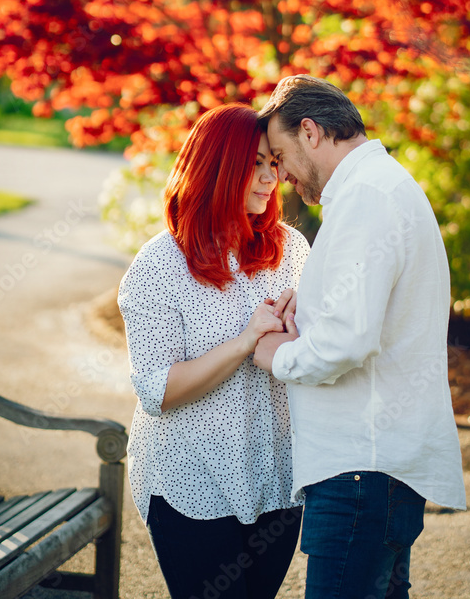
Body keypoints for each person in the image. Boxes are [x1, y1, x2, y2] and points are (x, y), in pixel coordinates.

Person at [252, 75, 467, 599]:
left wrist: (275, 355)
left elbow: (347, 343)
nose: (279, 178)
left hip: (359, 472)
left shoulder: (367, 199)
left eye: (278, 157)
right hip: (375, 471)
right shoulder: (380, 188)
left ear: (310, 132)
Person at [118, 103, 310, 599]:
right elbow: (160, 391)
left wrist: (298, 330)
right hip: (190, 483)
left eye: (274, 162)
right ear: (218, 165)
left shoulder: (290, 249)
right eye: (254, 164)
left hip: (275, 478)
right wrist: (247, 341)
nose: (271, 177)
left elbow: (310, 353)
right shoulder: (160, 265)